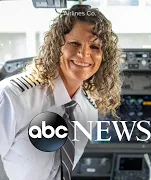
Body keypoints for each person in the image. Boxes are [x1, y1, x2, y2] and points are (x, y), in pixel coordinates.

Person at [0, 4, 122, 180]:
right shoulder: (12, 97)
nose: (84, 54)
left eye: (95, 47)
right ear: (57, 46)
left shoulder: (88, 109)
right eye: (74, 43)